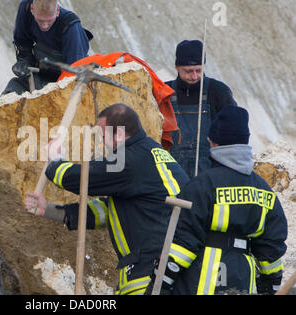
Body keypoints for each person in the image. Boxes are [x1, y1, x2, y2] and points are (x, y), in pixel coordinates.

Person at [25, 103, 189, 295]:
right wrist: (50, 210)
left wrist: (55, 162)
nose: (103, 144)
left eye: (103, 137)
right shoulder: (151, 153)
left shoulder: (129, 161)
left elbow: (81, 179)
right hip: (171, 271)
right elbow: (109, 211)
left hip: (150, 275)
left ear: (118, 134)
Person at [150, 105, 288, 295]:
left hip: (203, 281)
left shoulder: (203, 185)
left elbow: (181, 244)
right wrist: (270, 288)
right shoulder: (264, 191)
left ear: (214, 142)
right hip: (243, 279)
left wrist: (159, 285)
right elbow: (271, 252)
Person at [166, 40, 237, 178]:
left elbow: (233, 134)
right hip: (172, 174)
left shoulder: (218, 91)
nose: (194, 76)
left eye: (198, 70)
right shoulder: (165, 93)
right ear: (176, 67)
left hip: (209, 174)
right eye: (188, 71)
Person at [2, 0, 91, 95]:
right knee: (13, 87)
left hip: (65, 77)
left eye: (49, 20)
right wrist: (24, 63)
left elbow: (74, 74)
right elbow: (22, 43)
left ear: (57, 10)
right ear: (32, 10)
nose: (44, 26)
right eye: (40, 20)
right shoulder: (26, 8)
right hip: (40, 70)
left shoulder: (70, 26)